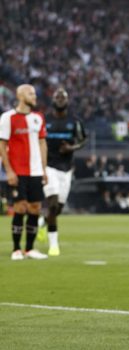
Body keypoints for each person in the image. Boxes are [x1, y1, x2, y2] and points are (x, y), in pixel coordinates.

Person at [0, 84, 49, 260]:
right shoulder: (8, 118)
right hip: (18, 171)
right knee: (20, 207)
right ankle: (16, 249)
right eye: (31, 93)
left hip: (36, 171)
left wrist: (44, 169)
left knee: (35, 208)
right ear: (20, 96)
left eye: (35, 93)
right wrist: (9, 171)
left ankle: (30, 249)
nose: (34, 96)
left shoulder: (38, 118)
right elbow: (2, 145)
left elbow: (42, 143)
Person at [37, 87, 87, 256]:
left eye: (63, 97)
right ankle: (54, 245)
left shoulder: (75, 121)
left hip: (66, 169)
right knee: (51, 204)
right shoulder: (44, 120)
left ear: (67, 101)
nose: (60, 99)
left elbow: (84, 140)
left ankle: (42, 223)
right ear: (53, 100)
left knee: (57, 209)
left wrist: (71, 147)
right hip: (49, 166)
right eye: (57, 97)